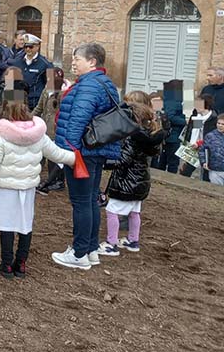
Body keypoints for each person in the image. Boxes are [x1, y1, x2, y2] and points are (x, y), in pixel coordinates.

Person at [0, 92, 75, 278]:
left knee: (7, 225)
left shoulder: (0, 137)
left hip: (7, 189)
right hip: (27, 188)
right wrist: (76, 159)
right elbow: (57, 153)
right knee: (25, 224)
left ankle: (6, 264)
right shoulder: (38, 135)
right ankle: (21, 263)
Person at [52, 43, 121, 271]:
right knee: (90, 200)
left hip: (81, 152)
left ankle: (79, 253)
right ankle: (90, 250)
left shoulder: (89, 85)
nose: (73, 63)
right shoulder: (103, 82)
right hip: (94, 150)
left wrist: (69, 151)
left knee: (81, 202)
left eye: (77, 59)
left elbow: (78, 119)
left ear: (92, 62)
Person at [96, 95, 165, 257]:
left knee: (112, 211)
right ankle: (133, 240)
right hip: (140, 183)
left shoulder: (133, 138)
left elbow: (123, 160)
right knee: (134, 212)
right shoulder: (150, 137)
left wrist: (105, 162)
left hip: (126, 183)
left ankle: (111, 244)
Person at [33, 67, 71, 195]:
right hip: (45, 127)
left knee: (55, 155)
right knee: (44, 153)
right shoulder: (46, 90)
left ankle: (58, 181)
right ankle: (47, 178)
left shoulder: (64, 93)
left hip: (57, 128)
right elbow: (39, 108)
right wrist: (29, 119)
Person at [8, 34, 53, 111]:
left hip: (35, 104)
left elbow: (51, 86)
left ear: (37, 47)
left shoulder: (45, 64)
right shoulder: (17, 62)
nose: (28, 49)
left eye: (31, 47)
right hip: (18, 102)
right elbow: (10, 82)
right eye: (25, 47)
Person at [151, 81, 186, 174]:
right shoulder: (172, 102)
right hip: (172, 136)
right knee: (171, 162)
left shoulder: (176, 101)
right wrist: (185, 121)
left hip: (174, 136)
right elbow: (170, 117)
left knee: (166, 161)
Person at [179, 94, 217, 181]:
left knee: (206, 173)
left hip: (206, 150)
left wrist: (200, 144)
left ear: (206, 105)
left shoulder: (213, 119)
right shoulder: (197, 116)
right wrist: (187, 144)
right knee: (185, 171)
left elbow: (211, 137)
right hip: (193, 147)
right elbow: (192, 132)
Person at [200, 114, 224, 186]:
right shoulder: (210, 136)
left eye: (223, 124)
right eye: (218, 123)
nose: (220, 126)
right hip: (215, 170)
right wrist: (204, 162)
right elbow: (202, 150)